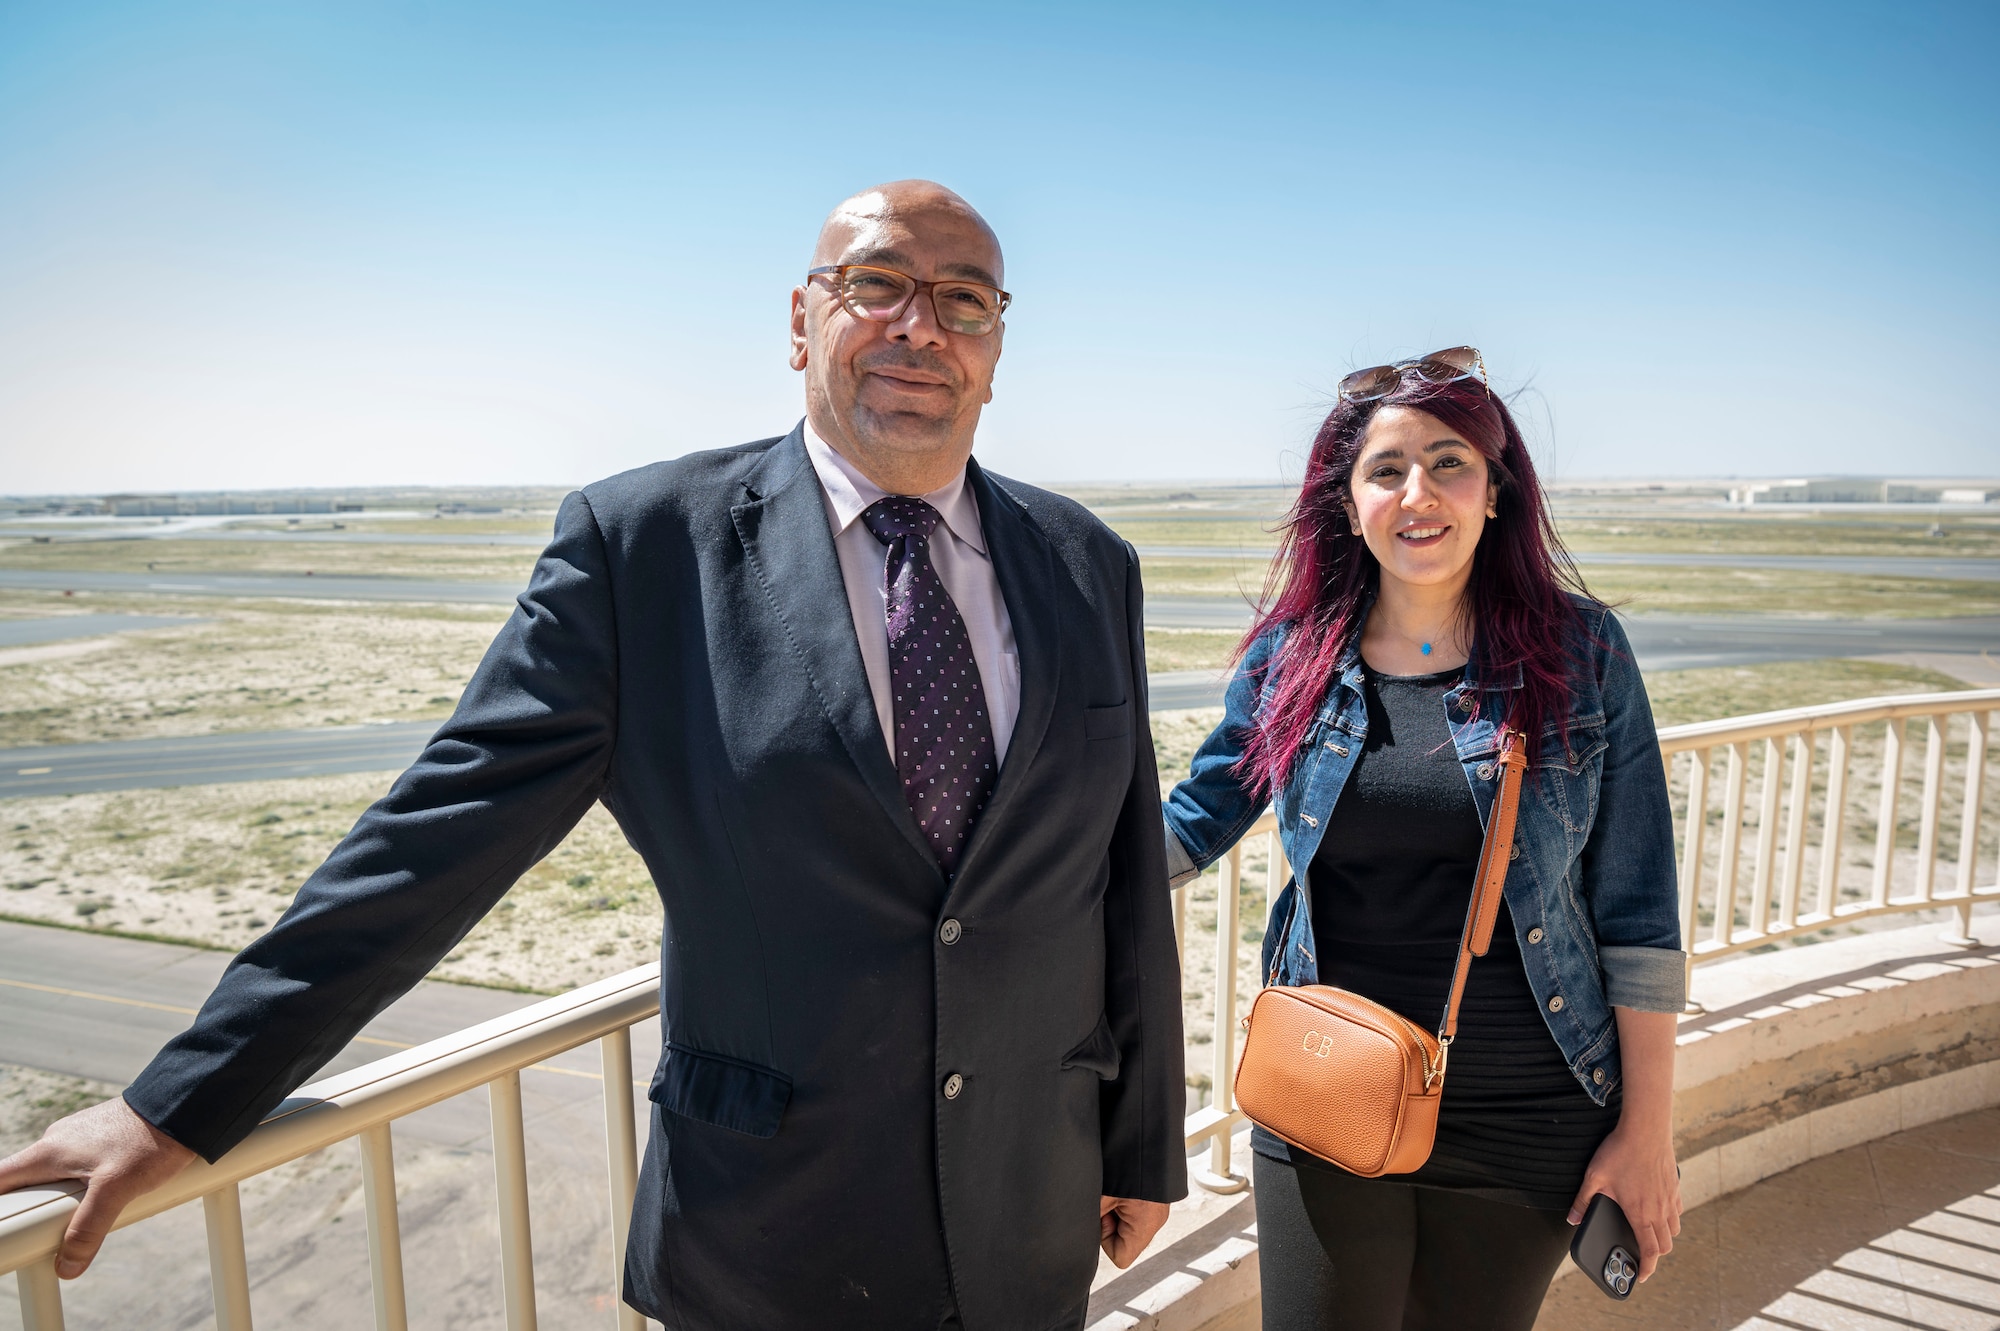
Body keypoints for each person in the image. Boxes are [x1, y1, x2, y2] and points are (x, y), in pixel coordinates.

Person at [0, 181, 1187, 1330]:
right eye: (874, 283)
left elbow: (1121, 877)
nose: (918, 325)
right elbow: (437, 839)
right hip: (772, 1238)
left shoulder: (1084, 559)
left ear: (994, 343)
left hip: (1026, 1224)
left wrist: (1141, 1140)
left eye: (962, 299)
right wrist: (180, 1102)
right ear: (799, 319)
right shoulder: (642, 549)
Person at [1160, 349, 1683, 1331]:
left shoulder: (1580, 653)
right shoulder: (1291, 658)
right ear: (1347, 502)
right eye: (1385, 469)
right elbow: (1193, 819)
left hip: (1527, 1106)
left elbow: (1637, 912)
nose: (1418, 492)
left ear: (1494, 492)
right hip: (1325, 1083)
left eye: (1449, 463)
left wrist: (1645, 1129)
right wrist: (1020, 869)